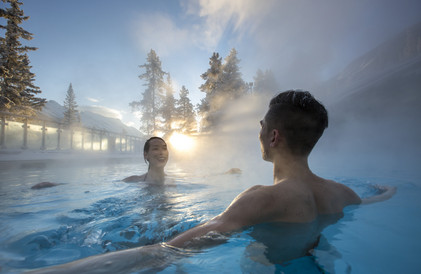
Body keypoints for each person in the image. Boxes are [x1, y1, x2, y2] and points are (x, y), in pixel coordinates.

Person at [28, 90, 396, 273]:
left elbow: (167, 251)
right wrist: (388, 190)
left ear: (274, 137)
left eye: (261, 129)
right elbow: (372, 202)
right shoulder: (342, 193)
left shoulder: (262, 199)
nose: (258, 136)